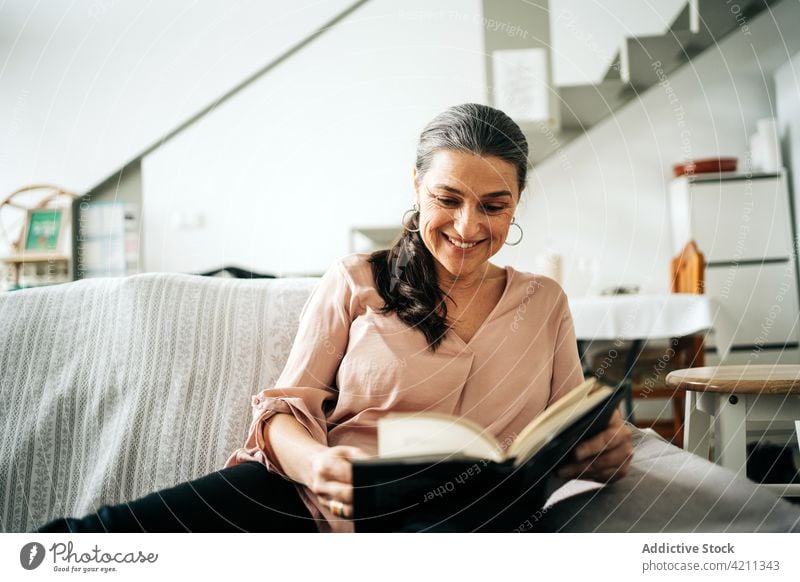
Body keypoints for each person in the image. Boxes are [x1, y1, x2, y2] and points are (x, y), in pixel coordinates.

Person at [38, 103, 632, 533]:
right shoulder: (358, 279)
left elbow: (565, 437)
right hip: (317, 504)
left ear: (518, 201)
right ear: (416, 185)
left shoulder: (544, 302)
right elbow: (280, 414)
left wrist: (600, 454)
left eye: (494, 206)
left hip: (466, 527)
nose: (468, 226)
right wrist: (320, 467)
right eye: (447, 199)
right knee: (91, 543)